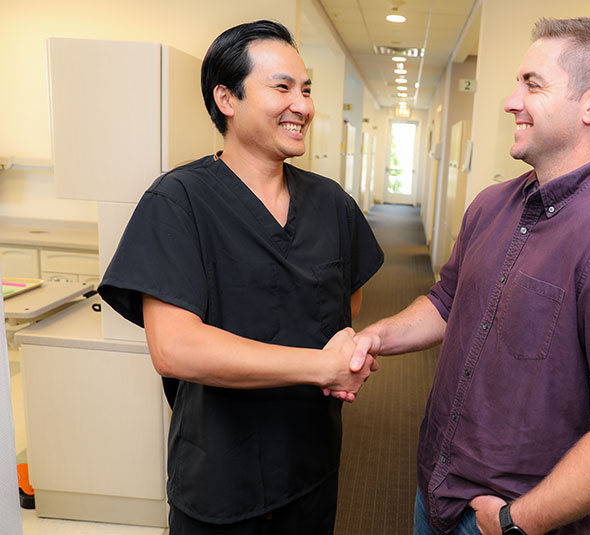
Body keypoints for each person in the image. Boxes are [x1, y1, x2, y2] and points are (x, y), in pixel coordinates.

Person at [348, 17, 590, 535]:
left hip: (507, 521)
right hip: (437, 491)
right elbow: (447, 302)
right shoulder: (492, 205)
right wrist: (375, 335)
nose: (511, 101)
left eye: (532, 84)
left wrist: (512, 522)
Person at [98, 20, 384, 535]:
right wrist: (319, 366)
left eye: (306, 88)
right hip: (221, 476)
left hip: (310, 464)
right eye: (282, 87)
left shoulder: (331, 204)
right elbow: (176, 349)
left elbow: (348, 302)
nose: (302, 104)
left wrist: (328, 348)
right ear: (226, 99)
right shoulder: (178, 201)